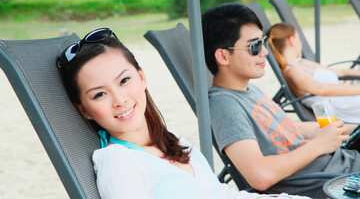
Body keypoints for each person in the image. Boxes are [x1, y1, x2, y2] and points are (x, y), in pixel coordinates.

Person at [57, 28, 307, 199]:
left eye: (124, 81)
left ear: (142, 77)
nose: (119, 100)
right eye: (99, 94)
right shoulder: (118, 162)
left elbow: (220, 194)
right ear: (85, 110)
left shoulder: (173, 140)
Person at [201, 3, 360, 198]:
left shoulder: (249, 90)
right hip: (340, 183)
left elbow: (288, 128)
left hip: (344, 165)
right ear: (223, 56)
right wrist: (319, 145)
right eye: (255, 46)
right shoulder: (225, 106)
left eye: (264, 42)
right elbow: (260, 175)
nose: (265, 52)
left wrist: (344, 129)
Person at [268, 22, 360, 124]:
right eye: (299, 38)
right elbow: (321, 89)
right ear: (292, 40)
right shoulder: (292, 72)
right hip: (343, 109)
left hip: (350, 100)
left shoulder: (302, 63)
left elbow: (341, 72)